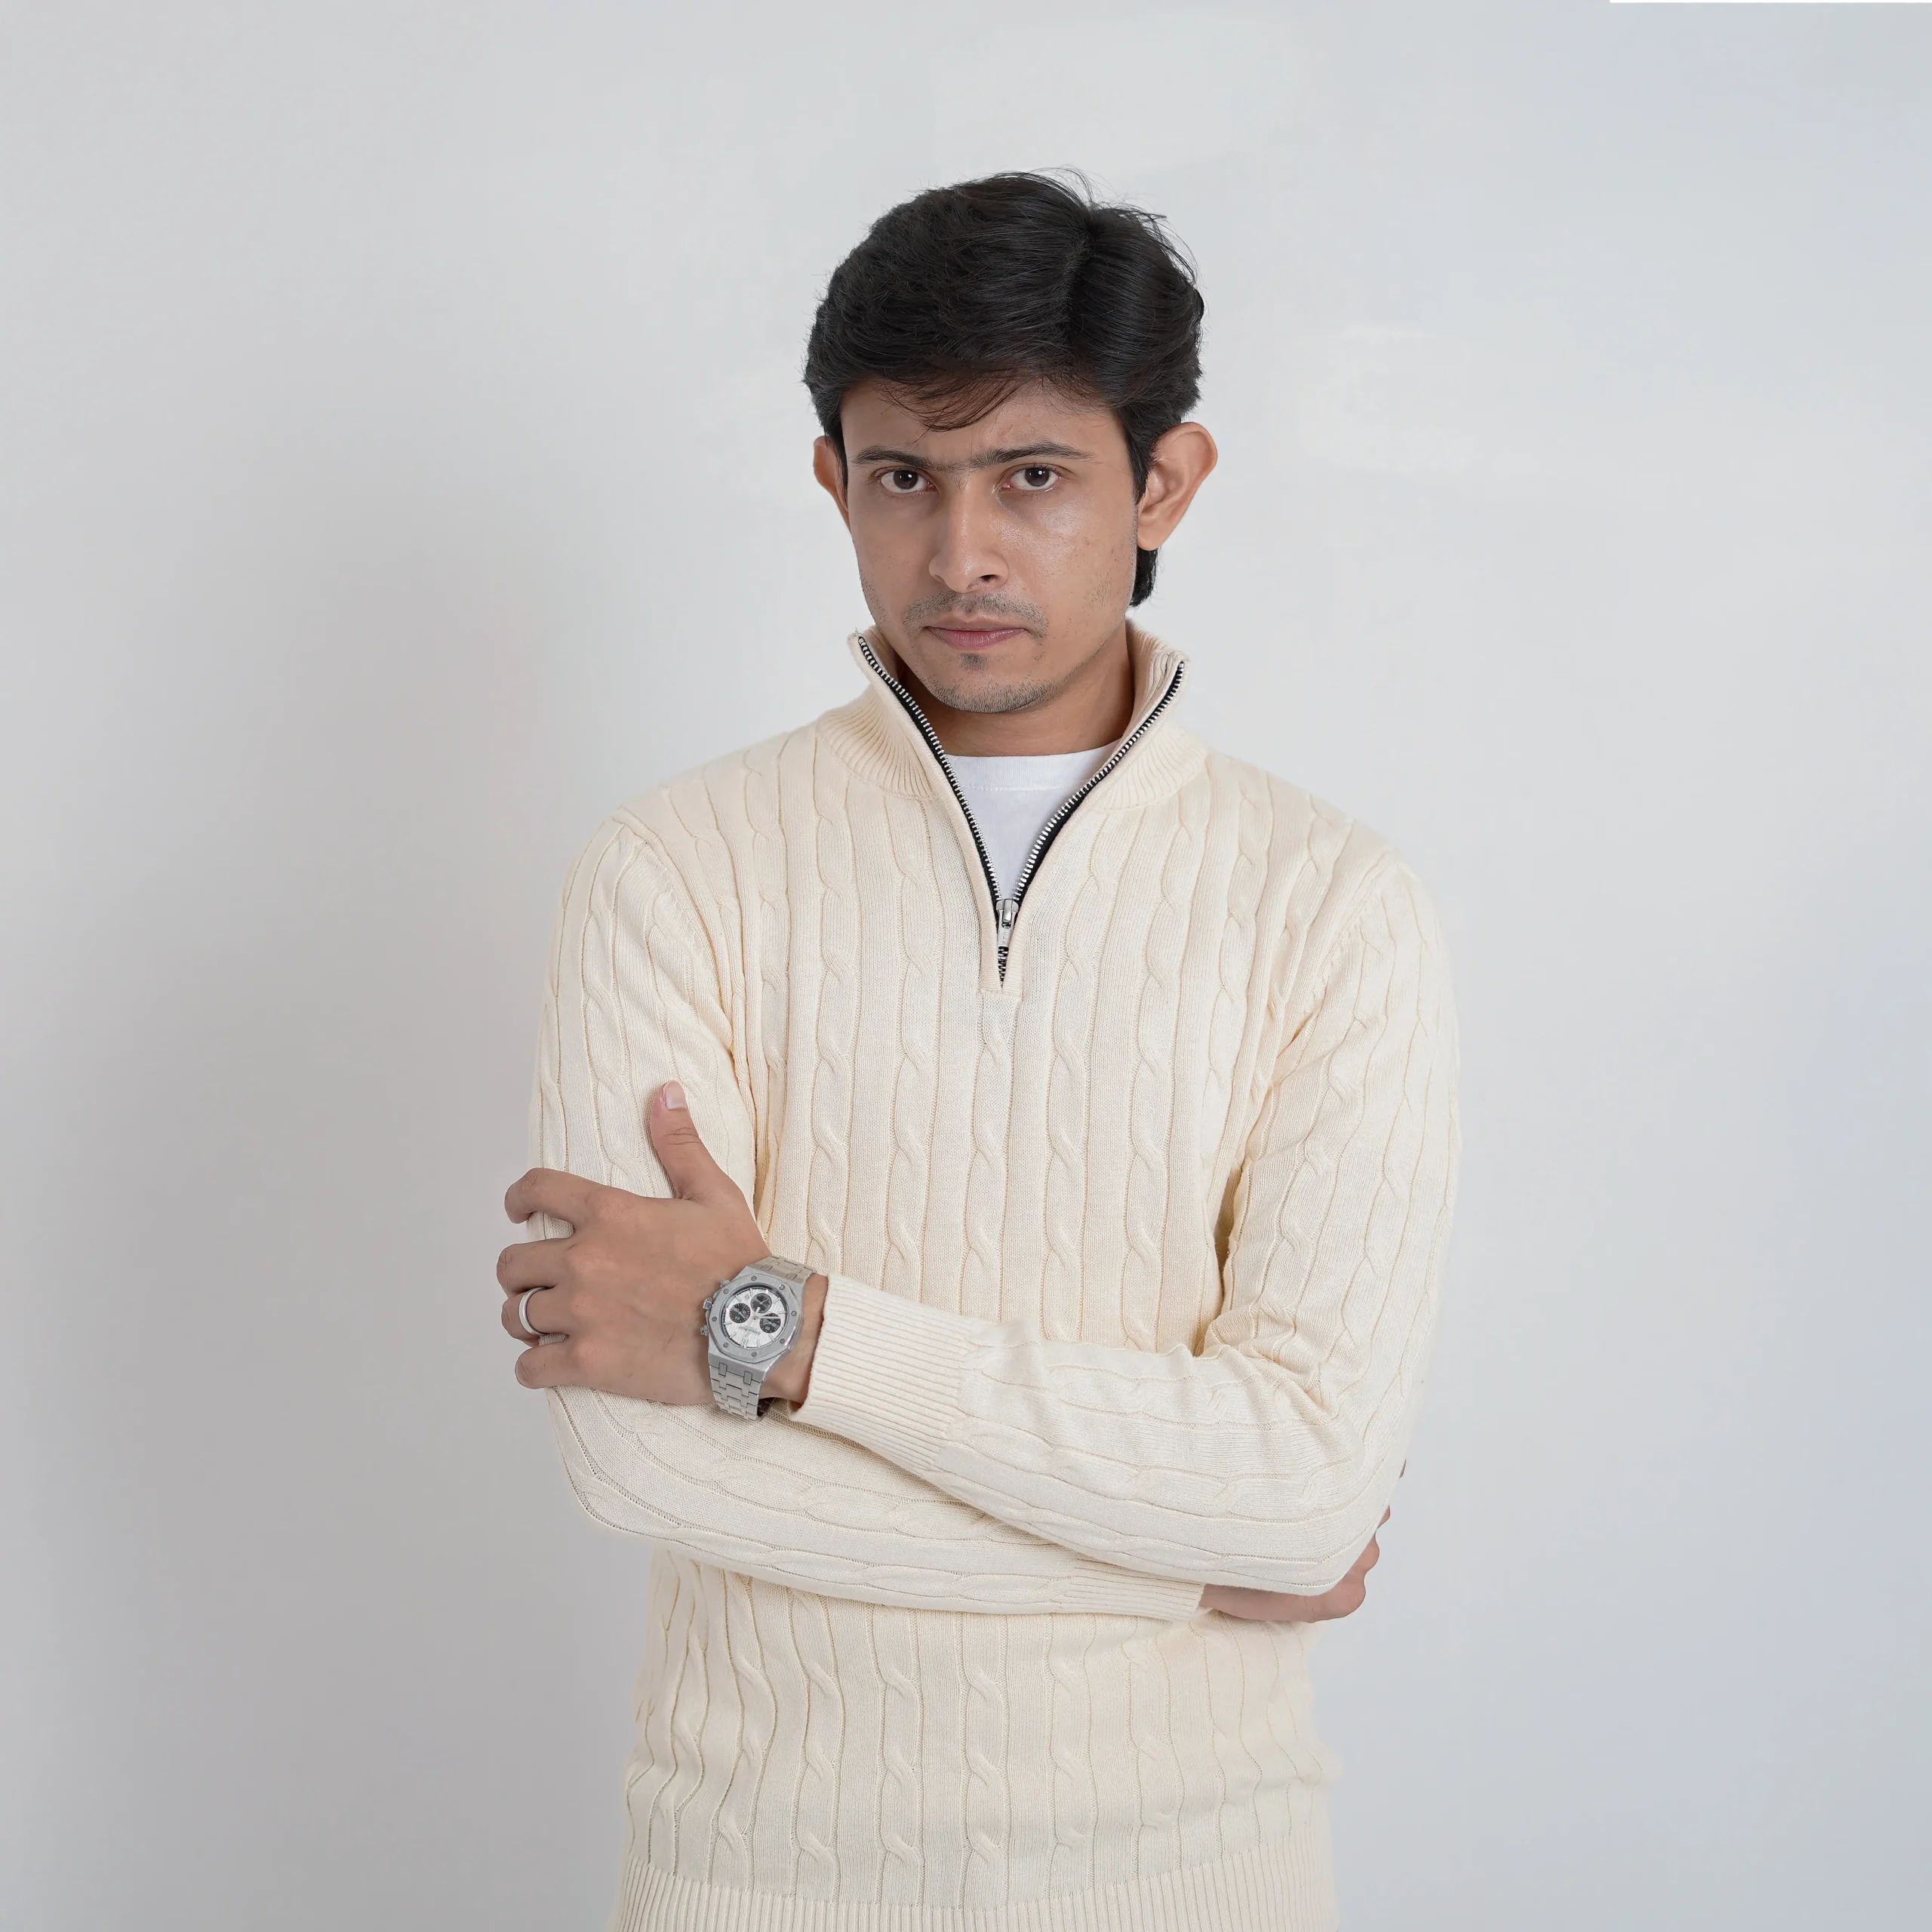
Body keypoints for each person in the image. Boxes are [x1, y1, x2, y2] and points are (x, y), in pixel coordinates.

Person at [497, 171, 1459, 1932]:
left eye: (1030, 475)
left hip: (1203, 1879)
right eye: (902, 478)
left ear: (1161, 483)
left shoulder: (1331, 903)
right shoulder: (671, 870)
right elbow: (638, 1458)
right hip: (749, 1878)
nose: (959, 554)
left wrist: (781, 1331)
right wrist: (1182, 1562)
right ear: (832, 482)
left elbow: (1305, 1481)